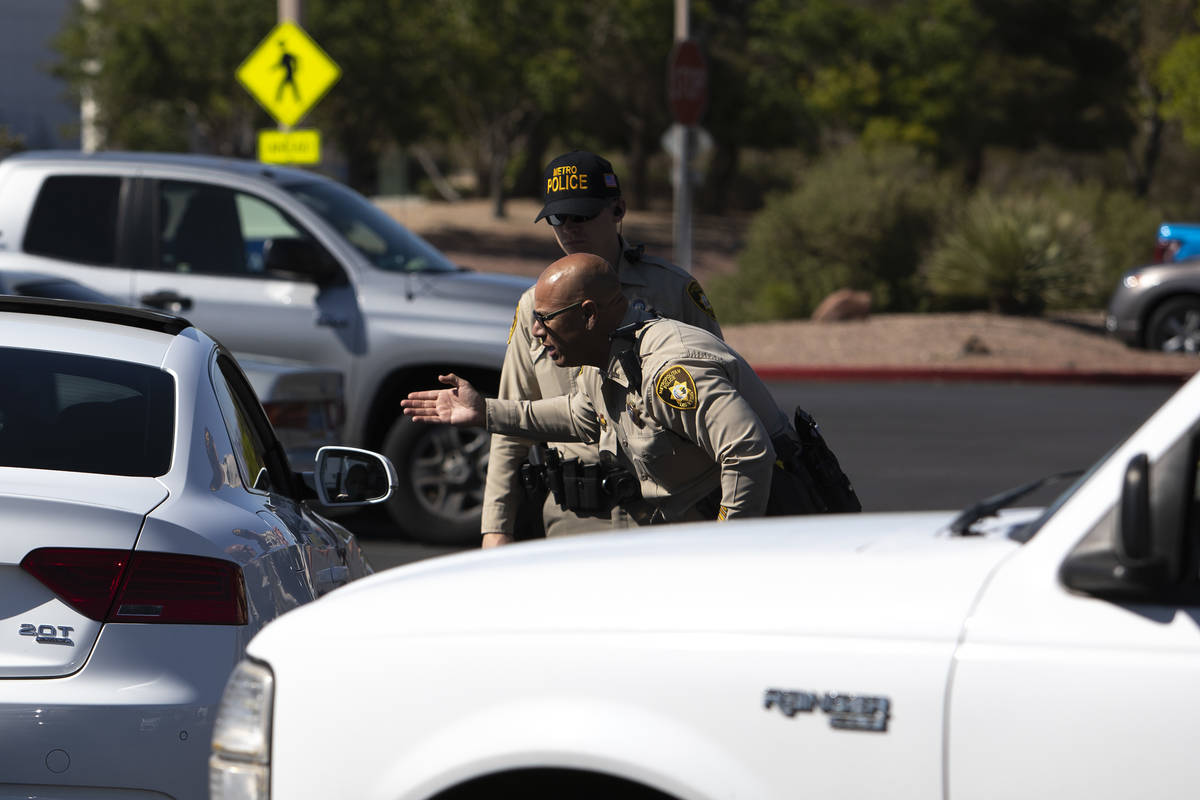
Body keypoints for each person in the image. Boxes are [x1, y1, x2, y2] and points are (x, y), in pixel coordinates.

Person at [405, 254, 844, 524]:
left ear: (590, 315)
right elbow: (580, 416)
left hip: (767, 532)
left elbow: (746, 451)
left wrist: (725, 551)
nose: (536, 332)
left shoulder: (670, 371)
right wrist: (484, 412)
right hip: (694, 528)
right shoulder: (605, 358)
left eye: (547, 319)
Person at [481, 150, 723, 545]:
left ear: (618, 210)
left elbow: (720, 402)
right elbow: (513, 420)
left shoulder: (673, 291)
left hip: (671, 514)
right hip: (576, 518)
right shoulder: (534, 307)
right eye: (559, 218)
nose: (570, 229)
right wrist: (496, 527)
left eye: (583, 216)